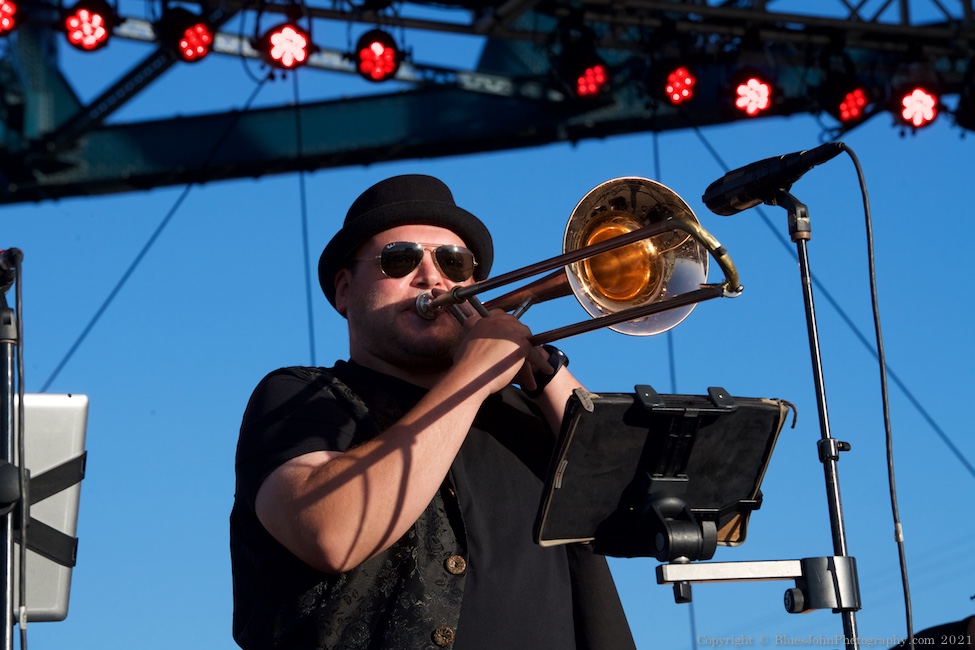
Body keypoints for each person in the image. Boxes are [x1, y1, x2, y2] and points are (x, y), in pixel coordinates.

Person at [230, 174, 636, 649]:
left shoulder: (533, 409)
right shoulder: (302, 396)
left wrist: (545, 371)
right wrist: (473, 375)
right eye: (399, 260)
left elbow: (631, 503)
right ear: (344, 290)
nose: (432, 277)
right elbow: (332, 535)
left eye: (453, 261)